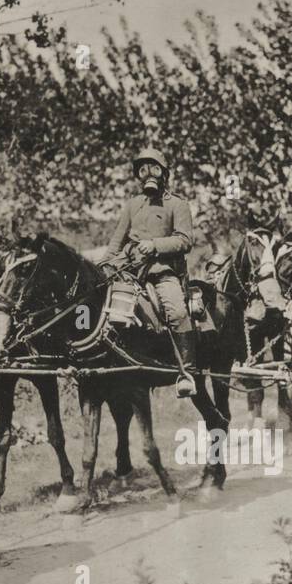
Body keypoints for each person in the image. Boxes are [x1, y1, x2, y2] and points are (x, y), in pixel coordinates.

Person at [100, 146, 197, 397]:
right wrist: (104, 265)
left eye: (154, 169)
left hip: (162, 271)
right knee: (107, 308)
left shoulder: (177, 204)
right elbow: (116, 242)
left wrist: (155, 245)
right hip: (129, 269)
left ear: (164, 174)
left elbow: (185, 240)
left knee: (176, 310)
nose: (148, 175)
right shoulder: (133, 205)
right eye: (142, 169)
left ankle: (186, 371)